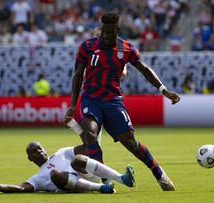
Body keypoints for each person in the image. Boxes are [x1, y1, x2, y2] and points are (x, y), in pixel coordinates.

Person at [64, 13, 180, 191]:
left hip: (113, 101)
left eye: (109, 32)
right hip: (91, 99)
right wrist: (73, 104)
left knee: (131, 144)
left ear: (117, 30)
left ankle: (160, 175)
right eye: (103, 31)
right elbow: (78, 75)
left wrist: (163, 89)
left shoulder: (127, 49)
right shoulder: (87, 47)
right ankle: (105, 183)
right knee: (90, 133)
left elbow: (145, 70)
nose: (104, 35)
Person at [0, 141, 135, 193]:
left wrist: (88, 135)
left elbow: (86, 147)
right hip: (73, 186)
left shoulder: (60, 153)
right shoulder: (37, 178)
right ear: (30, 158)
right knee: (55, 174)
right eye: (34, 152)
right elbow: (21, 188)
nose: (39, 151)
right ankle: (102, 188)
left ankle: (121, 178)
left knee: (78, 159)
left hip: (87, 176)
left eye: (40, 148)